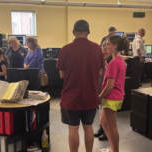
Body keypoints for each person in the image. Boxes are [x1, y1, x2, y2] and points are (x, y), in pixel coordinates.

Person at [56, 20, 104, 152]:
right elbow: (100, 72)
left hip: (71, 97)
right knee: (88, 126)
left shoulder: (65, 49)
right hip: (90, 95)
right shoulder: (97, 48)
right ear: (88, 32)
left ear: (73, 32)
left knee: (73, 127)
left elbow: (62, 75)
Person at [99, 35, 129, 152]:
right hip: (116, 96)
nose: (105, 47)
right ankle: (112, 148)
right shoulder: (119, 60)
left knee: (112, 127)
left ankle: (114, 150)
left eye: (108, 44)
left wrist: (100, 97)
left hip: (111, 97)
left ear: (115, 46)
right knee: (102, 121)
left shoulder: (113, 63)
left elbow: (110, 86)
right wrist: (107, 69)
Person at [95, 40, 113, 141]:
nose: (104, 48)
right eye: (103, 46)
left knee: (105, 111)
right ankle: (101, 128)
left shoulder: (111, 60)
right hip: (99, 87)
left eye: (106, 46)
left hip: (107, 89)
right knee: (100, 109)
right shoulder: (101, 59)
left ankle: (106, 131)